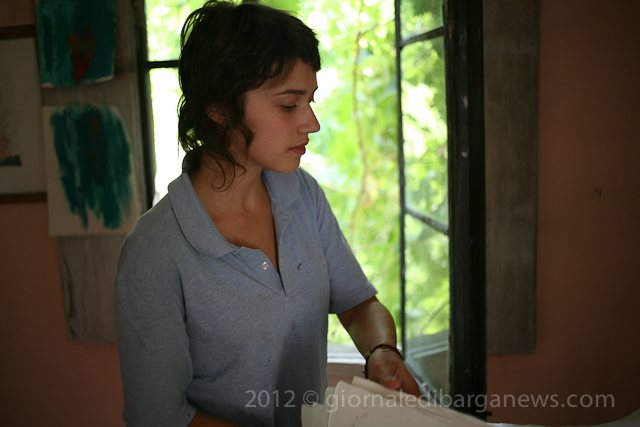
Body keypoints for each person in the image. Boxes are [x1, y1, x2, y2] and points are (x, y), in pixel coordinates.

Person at [115, 1, 420, 426]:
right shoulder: (156, 252)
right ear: (219, 108)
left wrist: (382, 351)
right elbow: (159, 417)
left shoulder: (301, 195)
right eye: (288, 105)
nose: (311, 123)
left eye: (310, 101)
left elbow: (357, 305)